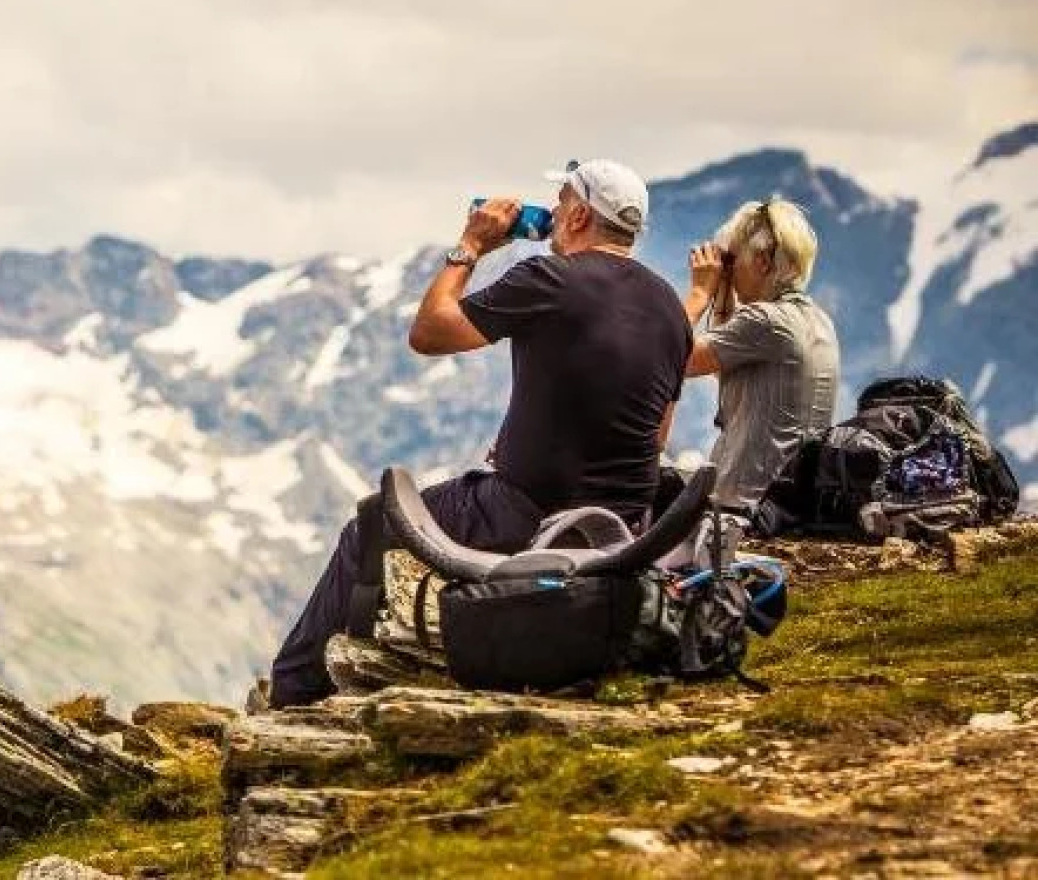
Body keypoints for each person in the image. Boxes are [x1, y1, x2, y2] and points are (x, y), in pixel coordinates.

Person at [267, 159, 692, 709]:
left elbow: (430, 332)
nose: (554, 215)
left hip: (527, 511)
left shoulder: (549, 278)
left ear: (581, 214)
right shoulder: (669, 307)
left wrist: (470, 244)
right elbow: (656, 438)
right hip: (622, 527)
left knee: (369, 526)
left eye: (561, 203)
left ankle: (298, 696)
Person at [681, 199, 840, 512]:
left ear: (763, 261)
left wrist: (701, 293)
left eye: (733, 258)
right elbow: (721, 366)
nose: (729, 268)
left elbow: (670, 359)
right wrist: (725, 292)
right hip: (784, 503)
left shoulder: (765, 321)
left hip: (742, 505)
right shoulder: (818, 320)